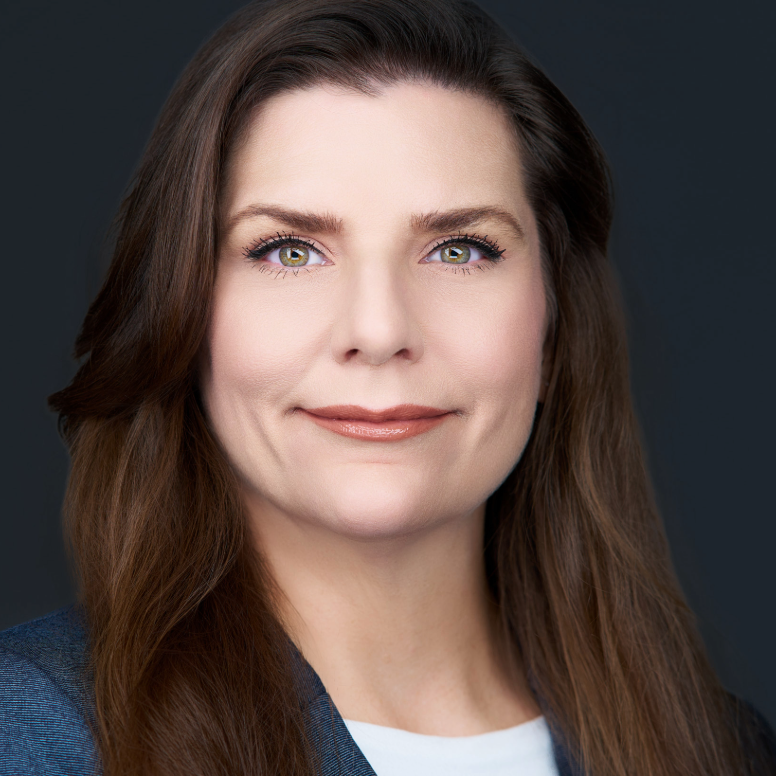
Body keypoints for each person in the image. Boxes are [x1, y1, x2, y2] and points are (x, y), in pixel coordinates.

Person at [0, 0, 774, 774]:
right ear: (182, 317)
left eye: (460, 250)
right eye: (289, 251)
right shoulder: (32, 735)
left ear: (556, 320)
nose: (377, 330)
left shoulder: (723, 751)